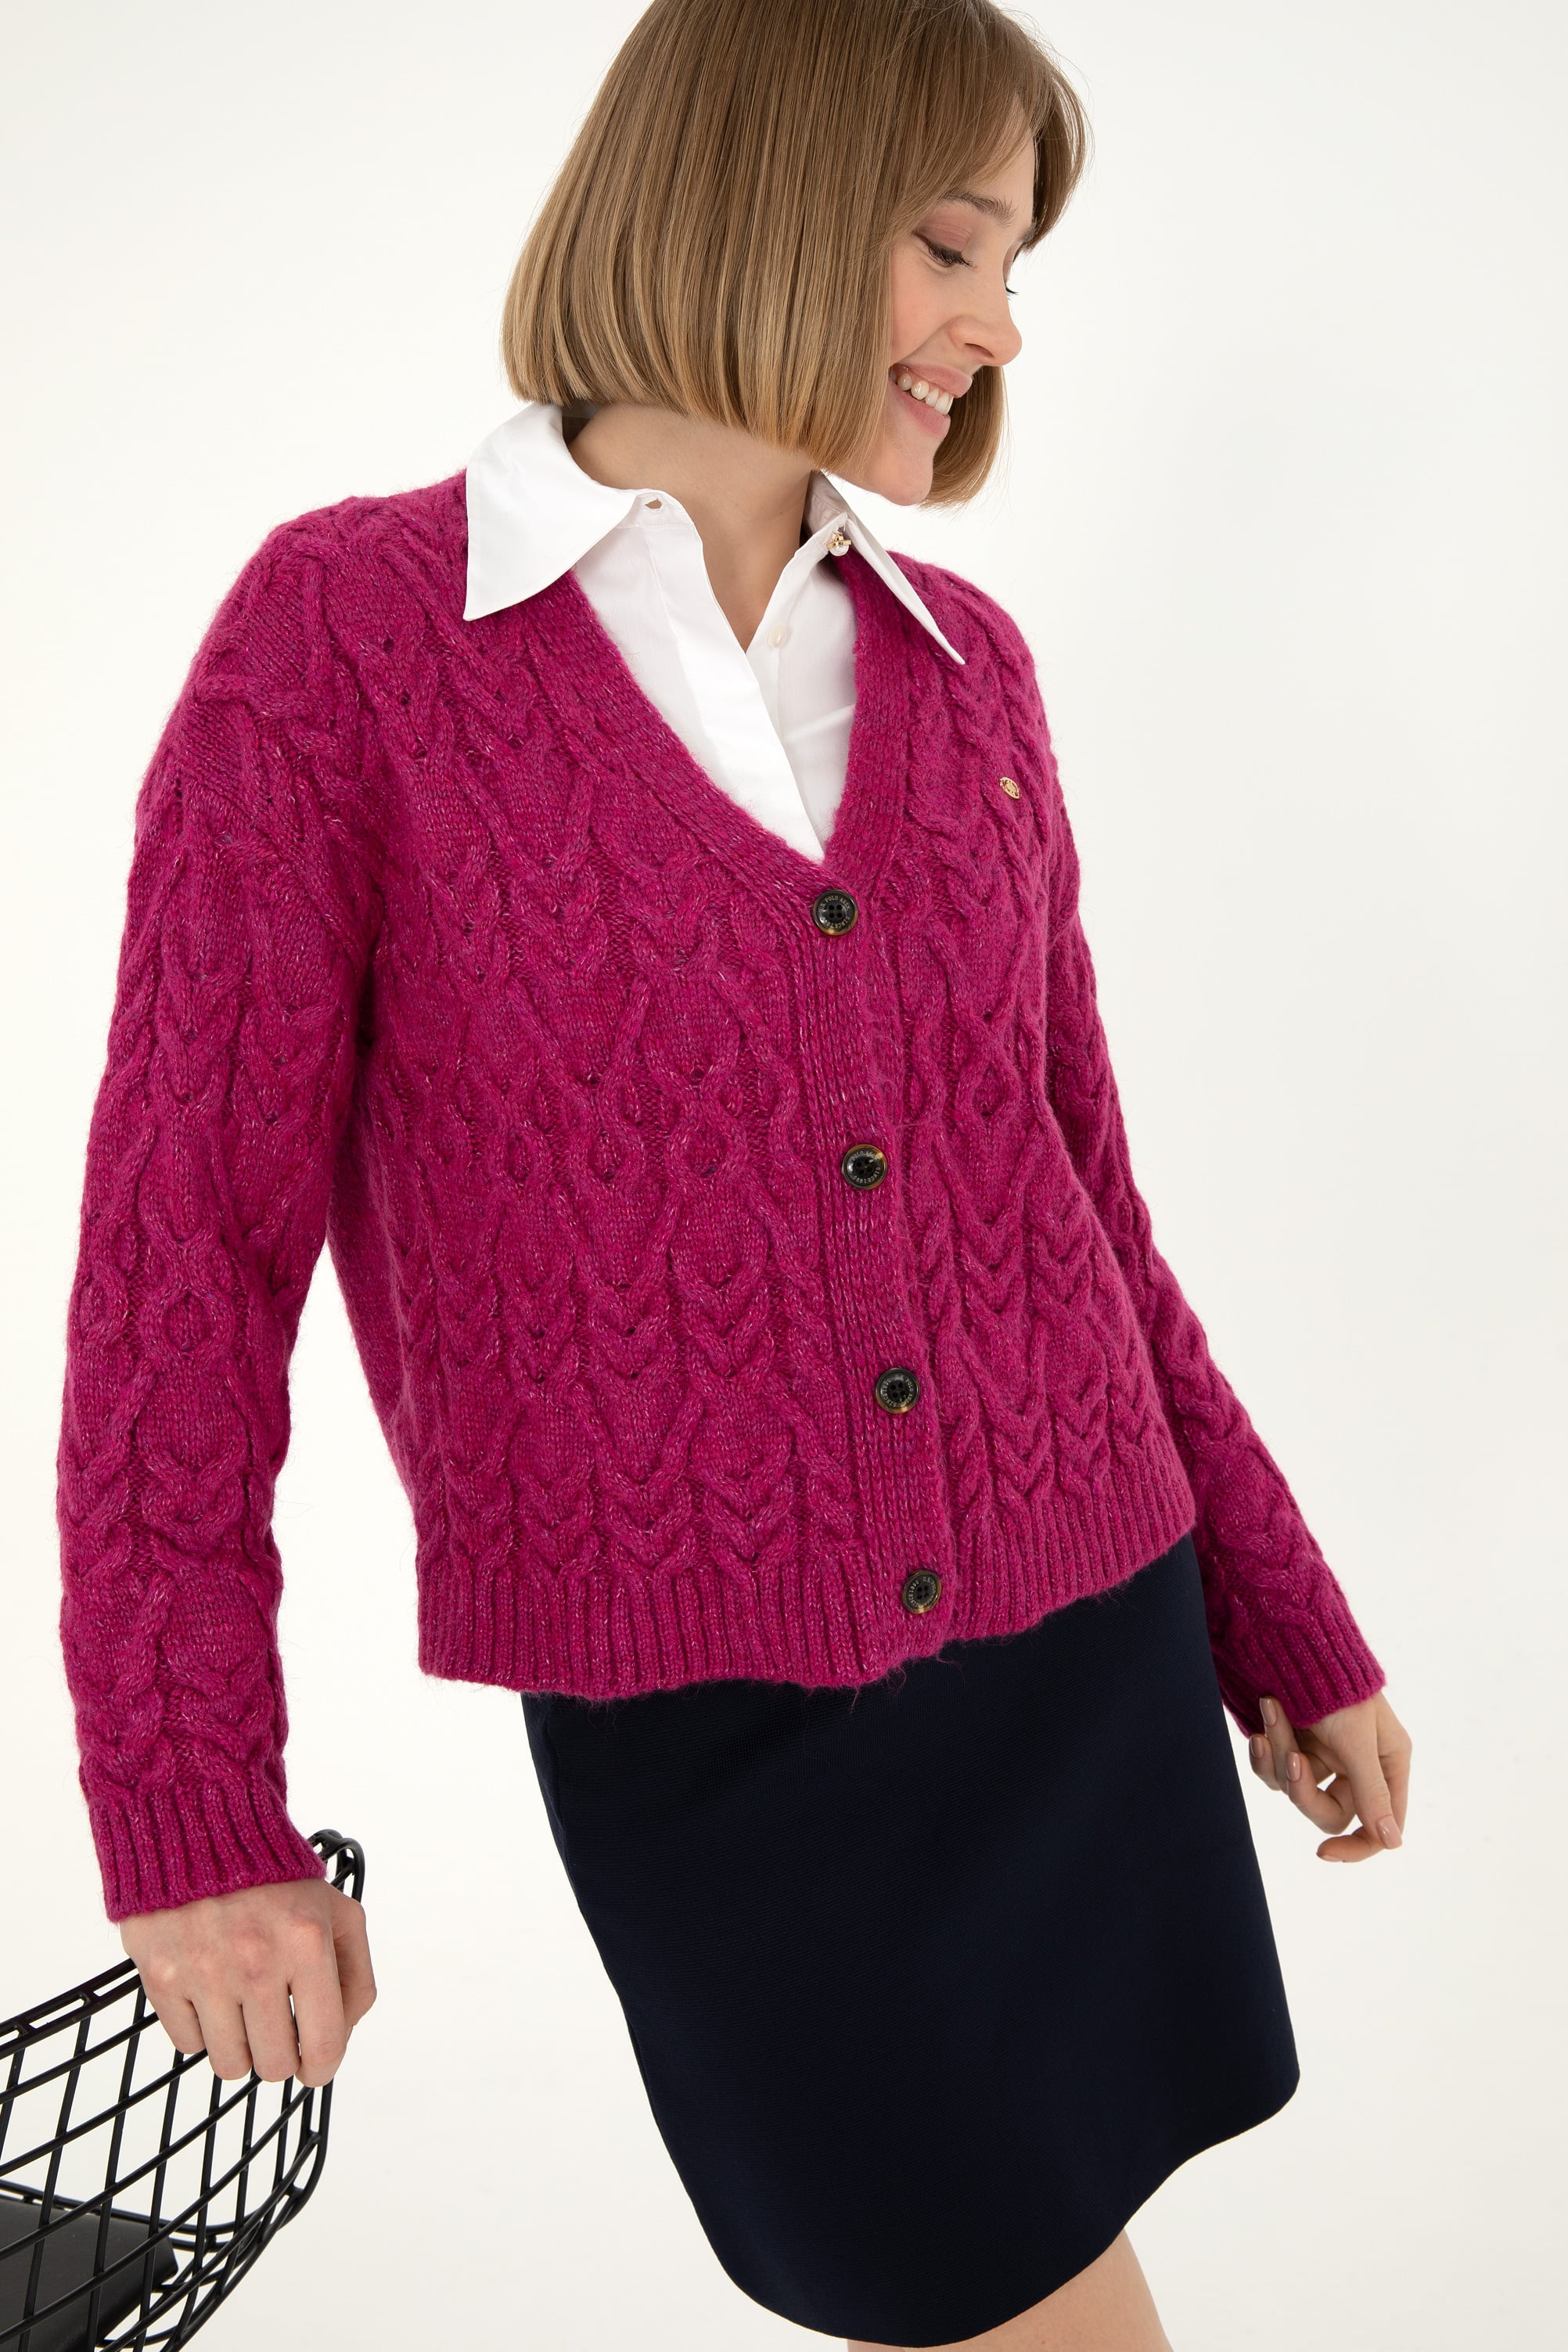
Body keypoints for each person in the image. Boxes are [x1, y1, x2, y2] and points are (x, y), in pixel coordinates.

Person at [53, 2, 1412, 2345]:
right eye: (951, 247)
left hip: (1081, 1639)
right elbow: (182, 1259)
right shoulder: (346, 647)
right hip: (718, 1734)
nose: (997, 330)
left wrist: (1274, 1610)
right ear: (759, 205)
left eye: (1014, 269)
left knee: (1037, 2276)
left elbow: (1080, 1199)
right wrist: (189, 1815)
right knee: (965, 2276)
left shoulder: (969, 672)